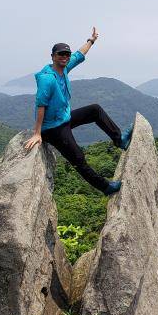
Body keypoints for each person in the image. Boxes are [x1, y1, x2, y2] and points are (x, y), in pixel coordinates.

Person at [23, 27, 133, 196]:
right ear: (53, 56)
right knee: (78, 158)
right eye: (61, 54)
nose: (65, 57)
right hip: (53, 128)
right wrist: (37, 133)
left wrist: (92, 40)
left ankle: (119, 140)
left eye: (66, 54)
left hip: (64, 118)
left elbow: (79, 55)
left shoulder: (64, 69)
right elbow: (41, 105)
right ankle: (106, 187)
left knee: (95, 110)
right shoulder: (47, 79)